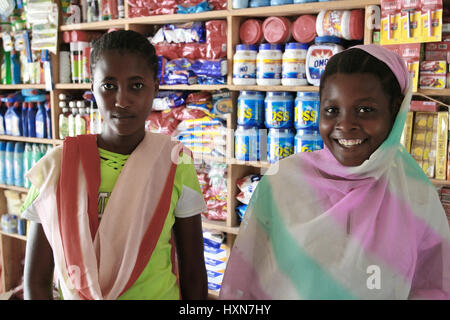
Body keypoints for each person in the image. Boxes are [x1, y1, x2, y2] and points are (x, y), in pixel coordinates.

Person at [220, 44, 450, 299]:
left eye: (365, 110)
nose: (345, 125)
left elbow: (433, 286)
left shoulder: (416, 198)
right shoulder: (282, 183)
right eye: (332, 110)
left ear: (395, 110)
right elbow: (247, 281)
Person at [21, 30, 208, 300]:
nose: (122, 100)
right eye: (109, 86)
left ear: (155, 87)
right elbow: (36, 283)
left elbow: (193, 273)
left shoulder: (174, 162)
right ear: (92, 87)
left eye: (136, 85)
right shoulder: (56, 168)